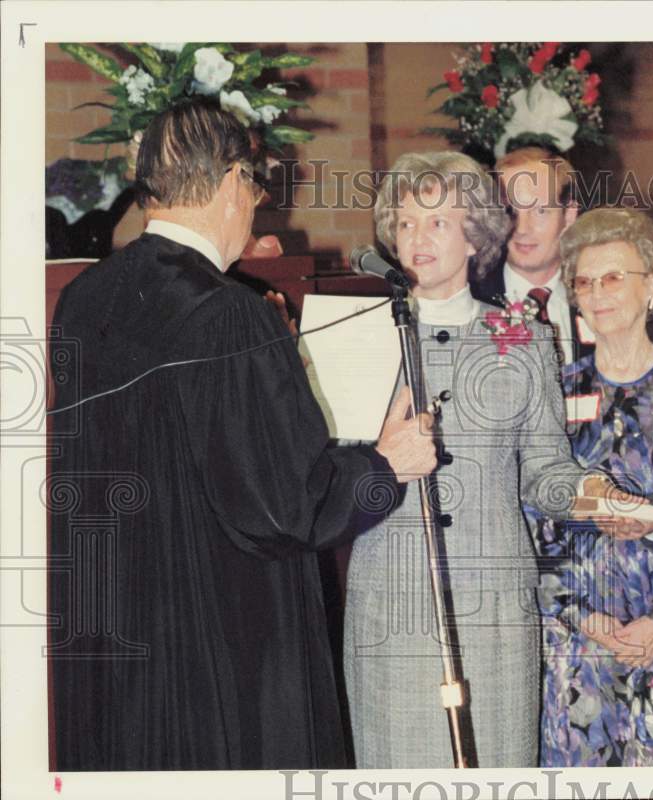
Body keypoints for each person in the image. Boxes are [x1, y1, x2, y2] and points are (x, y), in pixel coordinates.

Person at [47, 100, 436, 770]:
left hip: (111, 641)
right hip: (214, 654)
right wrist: (384, 468)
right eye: (255, 189)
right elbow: (286, 507)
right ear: (231, 184)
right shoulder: (228, 314)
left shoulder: (85, 297)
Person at [342, 152, 653, 769]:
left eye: (436, 222)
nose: (417, 238)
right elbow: (324, 480)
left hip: (498, 614)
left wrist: (601, 498)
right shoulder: (355, 332)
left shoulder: (522, 337)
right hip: (390, 607)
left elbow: (545, 470)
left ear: (475, 234)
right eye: (405, 224)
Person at [533, 208, 653, 767]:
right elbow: (529, 520)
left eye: (613, 278)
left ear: (652, 285)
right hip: (578, 650)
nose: (597, 293)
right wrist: (582, 615)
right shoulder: (551, 396)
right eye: (583, 281)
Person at [470, 146, 594, 365]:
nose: (522, 228)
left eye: (540, 211)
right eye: (511, 211)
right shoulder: (472, 299)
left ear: (569, 216)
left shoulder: (597, 299)